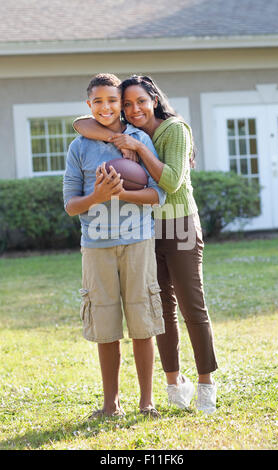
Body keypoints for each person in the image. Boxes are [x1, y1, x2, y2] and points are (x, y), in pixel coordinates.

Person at [73, 75, 218, 414]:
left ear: (154, 99)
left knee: (191, 306)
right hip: (148, 228)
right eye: (127, 104)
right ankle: (173, 382)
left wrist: (136, 146)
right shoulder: (129, 130)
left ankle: (206, 384)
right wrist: (117, 137)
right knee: (161, 307)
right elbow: (80, 123)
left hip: (180, 224)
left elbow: (170, 181)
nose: (133, 109)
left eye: (140, 101)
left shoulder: (173, 129)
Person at [63, 73, 166, 418]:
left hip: (137, 241)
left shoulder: (138, 139)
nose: (105, 107)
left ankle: (146, 401)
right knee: (106, 327)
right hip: (96, 246)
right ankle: (111, 404)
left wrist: (123, 194)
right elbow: (71, 205)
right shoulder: (79, 147)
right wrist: (98, 196)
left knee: (142, 323)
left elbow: (157, 194)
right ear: (89, 105)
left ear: (120, 104)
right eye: (98, 101)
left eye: (112, 100)